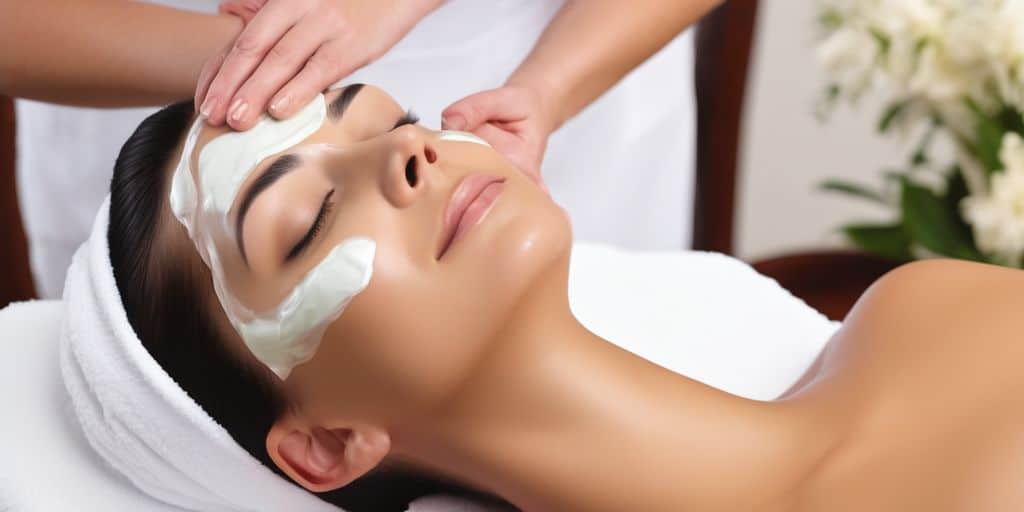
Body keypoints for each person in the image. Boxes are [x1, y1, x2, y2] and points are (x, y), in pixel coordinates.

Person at [102, 85, 1024, 511]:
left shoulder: (934, 313)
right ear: (329, 444)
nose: (408, 154)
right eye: (306, 218)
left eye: (396, 119)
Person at [2, 0, 717, 298]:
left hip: (573, 71)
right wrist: (255, 60)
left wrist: (549, 89)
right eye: (305, 219)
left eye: (380, 122)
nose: (415, 155)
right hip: (118, 72)